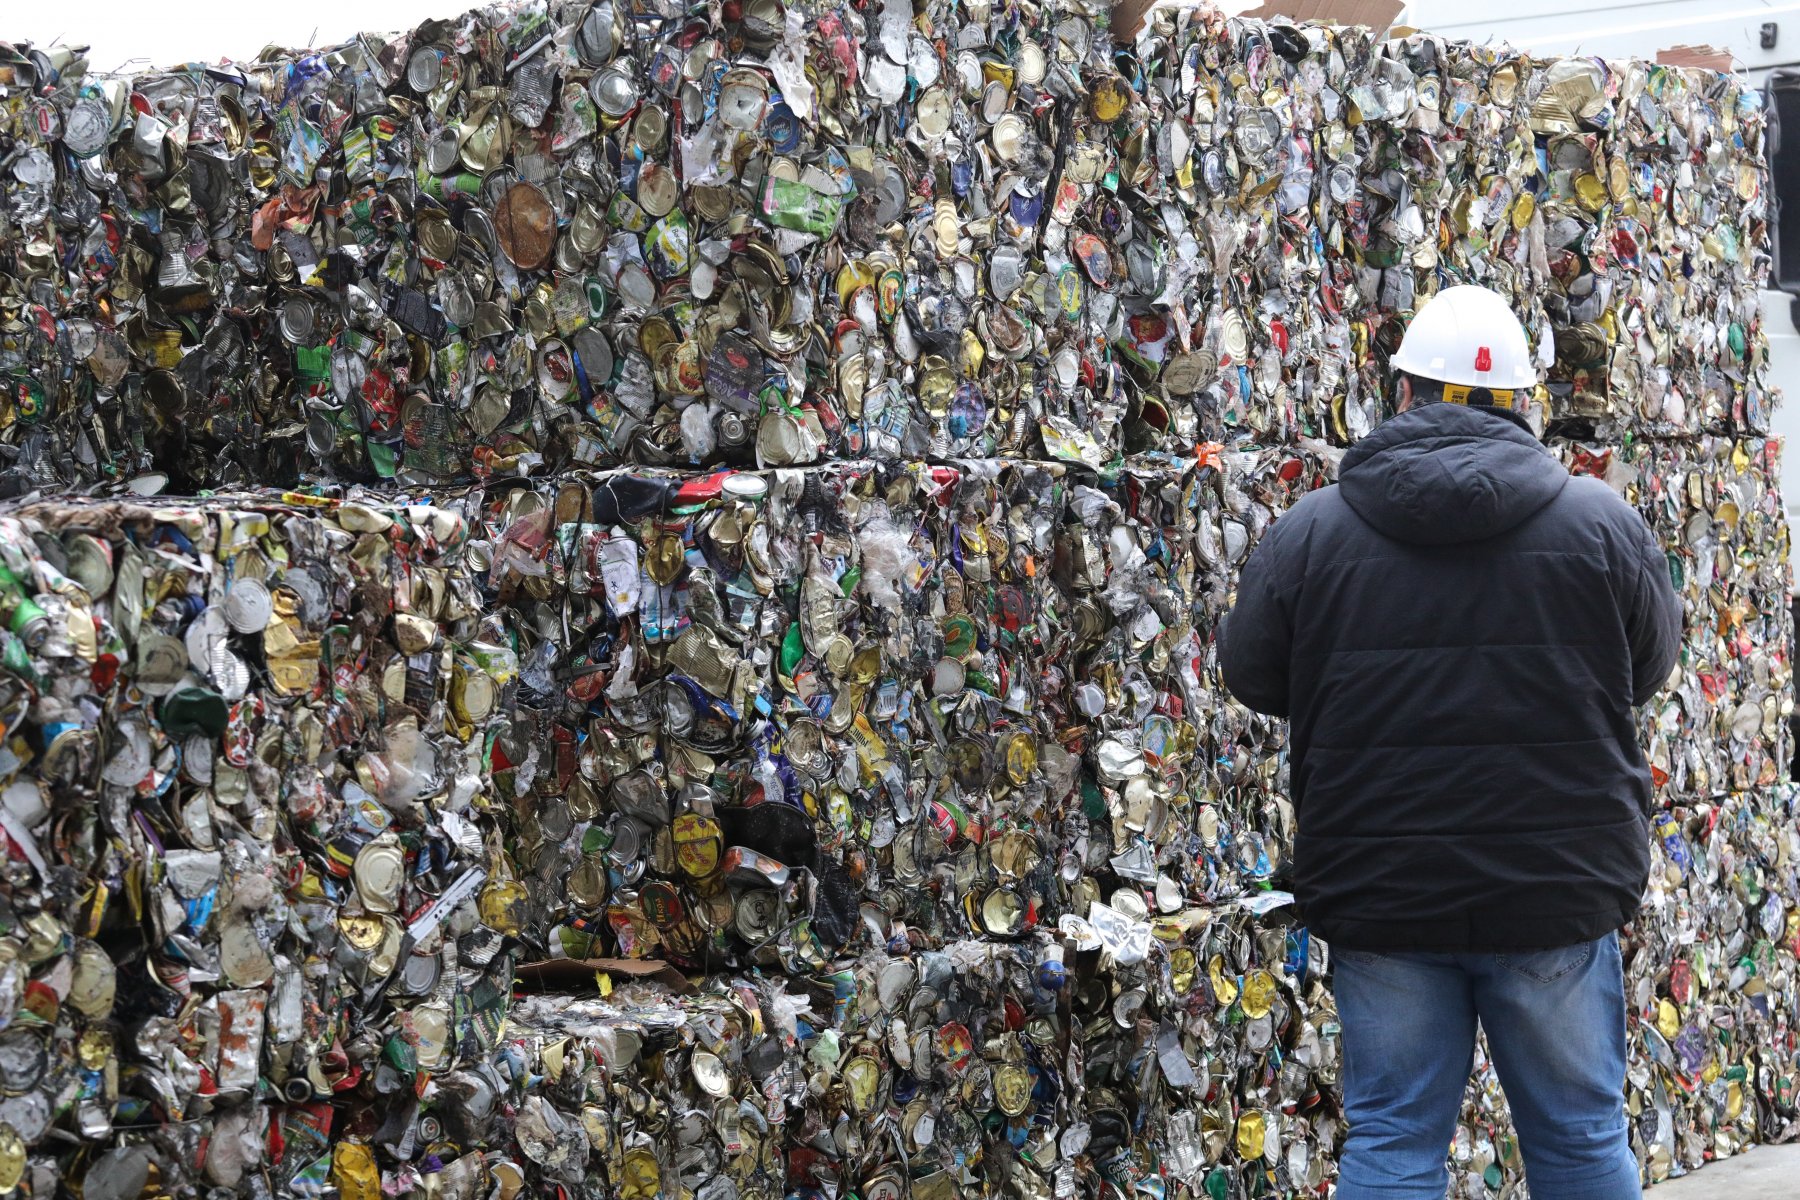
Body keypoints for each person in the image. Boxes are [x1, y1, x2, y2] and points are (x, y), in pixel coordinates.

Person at [1217, 285, 1681, 1200]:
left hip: (1382, 889)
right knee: (1583, 1140)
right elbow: (1649, 667)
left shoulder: (1312, 534)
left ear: (1403, 394)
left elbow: (1251, 675)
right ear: (1519, 401)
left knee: (1392, 1144)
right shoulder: (1601, 527)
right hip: (1556, 886)